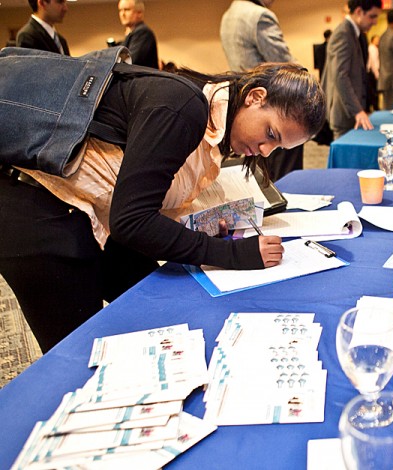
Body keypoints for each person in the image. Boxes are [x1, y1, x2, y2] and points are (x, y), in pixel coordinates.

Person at [0, 51, 326, 354]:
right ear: (255, 97)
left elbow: (142, 197)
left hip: (86, 216)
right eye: (271, 133)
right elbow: (133, 221)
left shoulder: (205, 111)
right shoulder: (185, 105)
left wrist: (200, 228)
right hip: (42, 218)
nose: (267, 151)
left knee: (160, 312)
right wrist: (234, 254)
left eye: (279, 147)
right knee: (78, 360)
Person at [220, 0, 302, 181]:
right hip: (271, 104)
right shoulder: (260, 16)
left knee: (260, 165)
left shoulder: (229, 14)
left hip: (244, 104)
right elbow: (285, 66)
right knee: (289, 138)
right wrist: (307, 83)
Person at [322, 0, 383, 140]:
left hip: (351, 113)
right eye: (372, 16)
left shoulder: (355, 33)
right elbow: (340, 76)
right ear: (359, 12)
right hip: (344, 114)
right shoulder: (343, 33)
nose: (375, 22)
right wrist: (357, 111)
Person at [116, 0, 159, 69]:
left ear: (139, 13)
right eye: (120, 10)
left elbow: (130, 62)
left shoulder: (143, 33)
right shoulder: (132, 34)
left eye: (127, 10)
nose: (122, 14)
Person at [366, 35, 381, 112]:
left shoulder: (374, 48)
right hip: (372, 72)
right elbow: (374, 62)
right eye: (376, 39)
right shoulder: (372, 49)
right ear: (372, 40)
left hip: (372, 71)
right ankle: (375, 107)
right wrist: (376, 74)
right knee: (374, 92)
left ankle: (372, 107)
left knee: (371, 91)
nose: (378, 41)